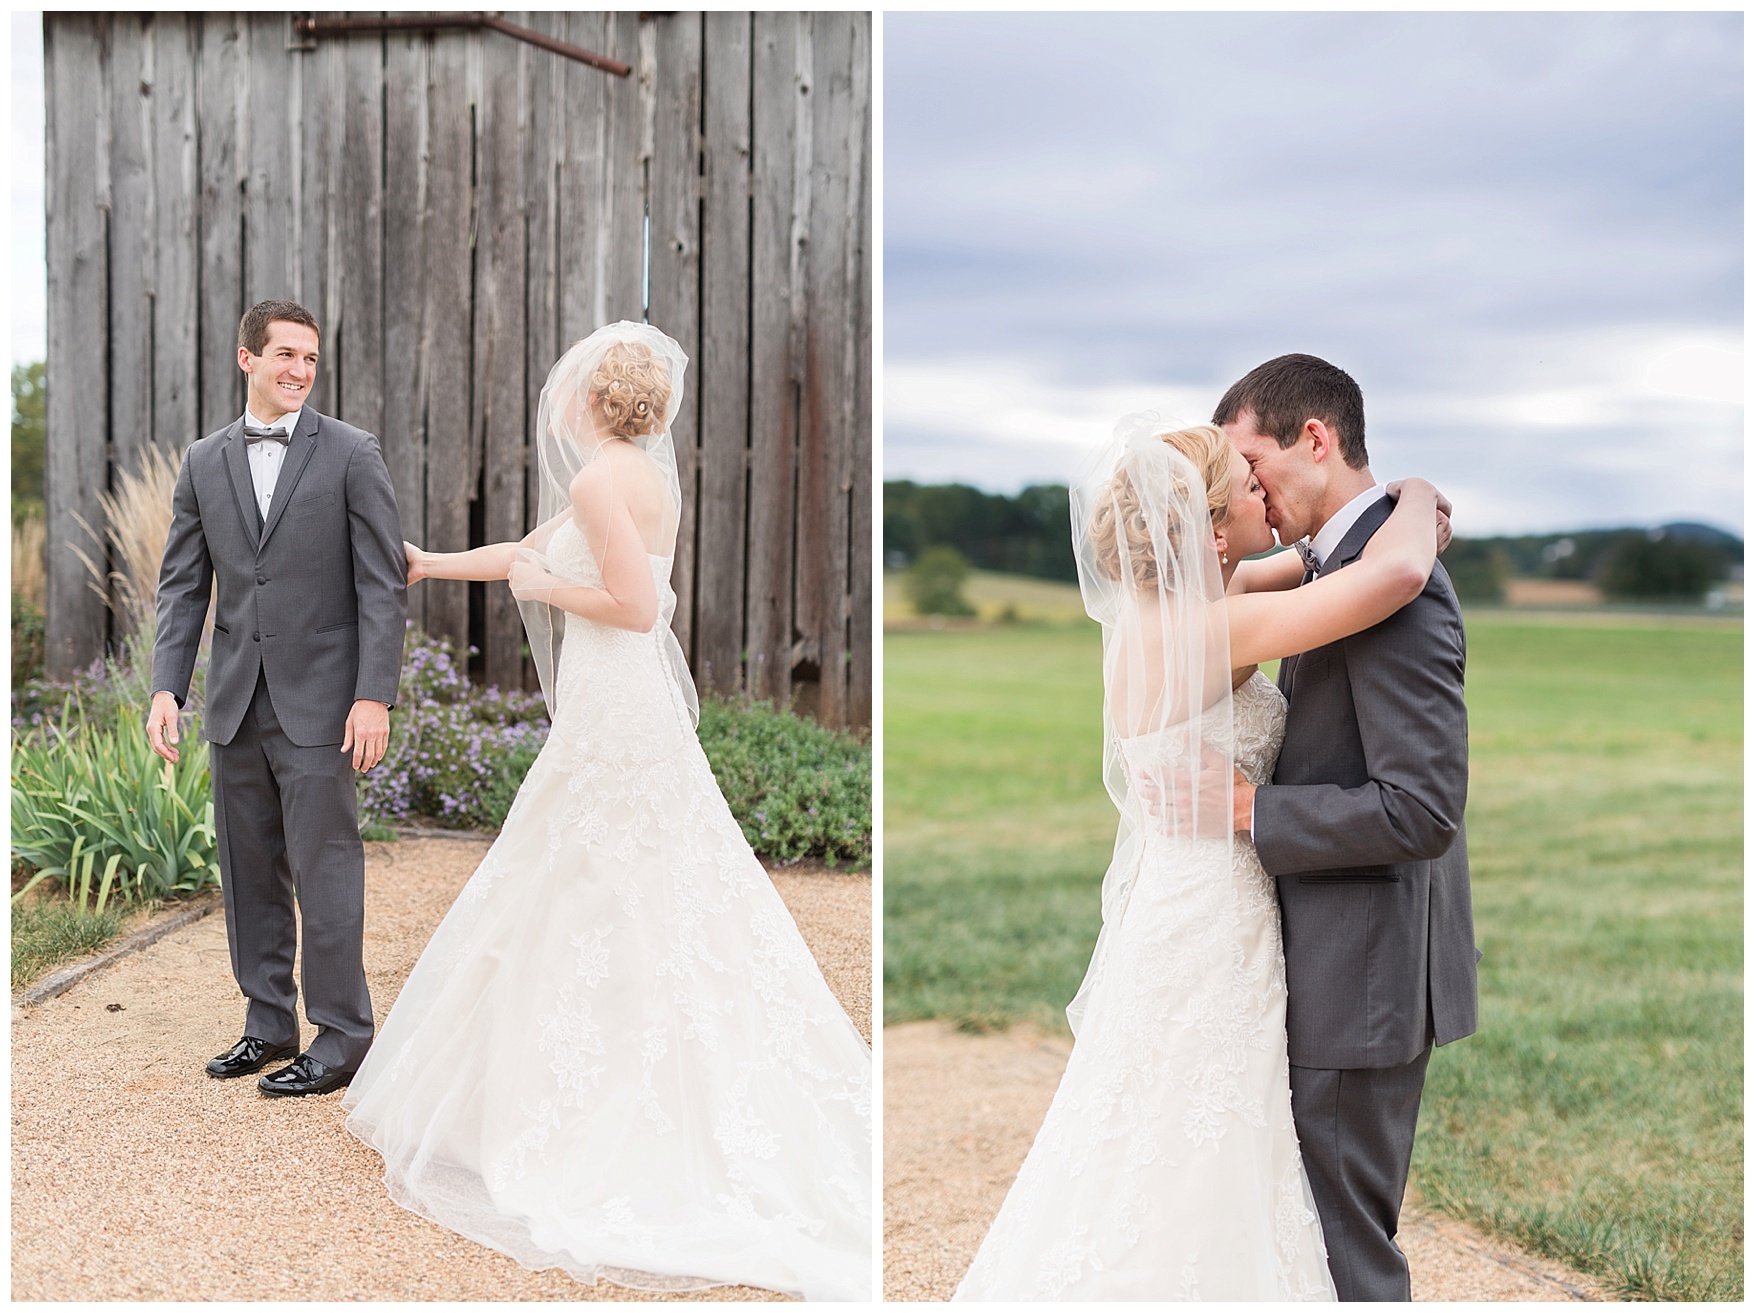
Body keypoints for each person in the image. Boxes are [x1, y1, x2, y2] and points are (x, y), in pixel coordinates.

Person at [342, 322, 873, 1302]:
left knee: (590, 872)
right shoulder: (642, 476)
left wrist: (545, 587)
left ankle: (589, 1105)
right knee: (619, 873)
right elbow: (529, 548)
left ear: (588, 398)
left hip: (616, 698)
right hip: (618, 701)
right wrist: (428, 562)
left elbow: (635, 605)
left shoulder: (596, 479)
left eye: (571, 385)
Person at [954, 403, 1461, 1300]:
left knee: (1187, 1130)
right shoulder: (1204, 630)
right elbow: (1394, 575)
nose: (1260, 490)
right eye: (1243, 488)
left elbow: (1297, 564)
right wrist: (1413, 495)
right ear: (1211, 528)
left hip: (1199, 894)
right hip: (1209, 912)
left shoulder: (1188, 608)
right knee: (1198, 1131)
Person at [1217, 354, 1477, 1300]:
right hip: (1331, 961)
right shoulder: (1346, 567)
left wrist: (1252, 810)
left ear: (1314, 439)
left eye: (1253, 464)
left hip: (1355, 979)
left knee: (1342, 1254)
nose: (1249, 491)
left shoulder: (1395, 591)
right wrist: (1412, 494)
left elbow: (1421, 809)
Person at [148, 299, 407, 1099]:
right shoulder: (203, 461)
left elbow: (383, 583)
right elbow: (183, 584)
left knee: (326, 869)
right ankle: (268, 1023)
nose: (299, 370)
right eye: (285, 355)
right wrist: (167, 685)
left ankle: (342, 1034)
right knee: (248, 868)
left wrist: (374, 695)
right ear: (246, 359)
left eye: (310, 359)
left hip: (325, 705)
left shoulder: (352, 454)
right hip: (233, 703)